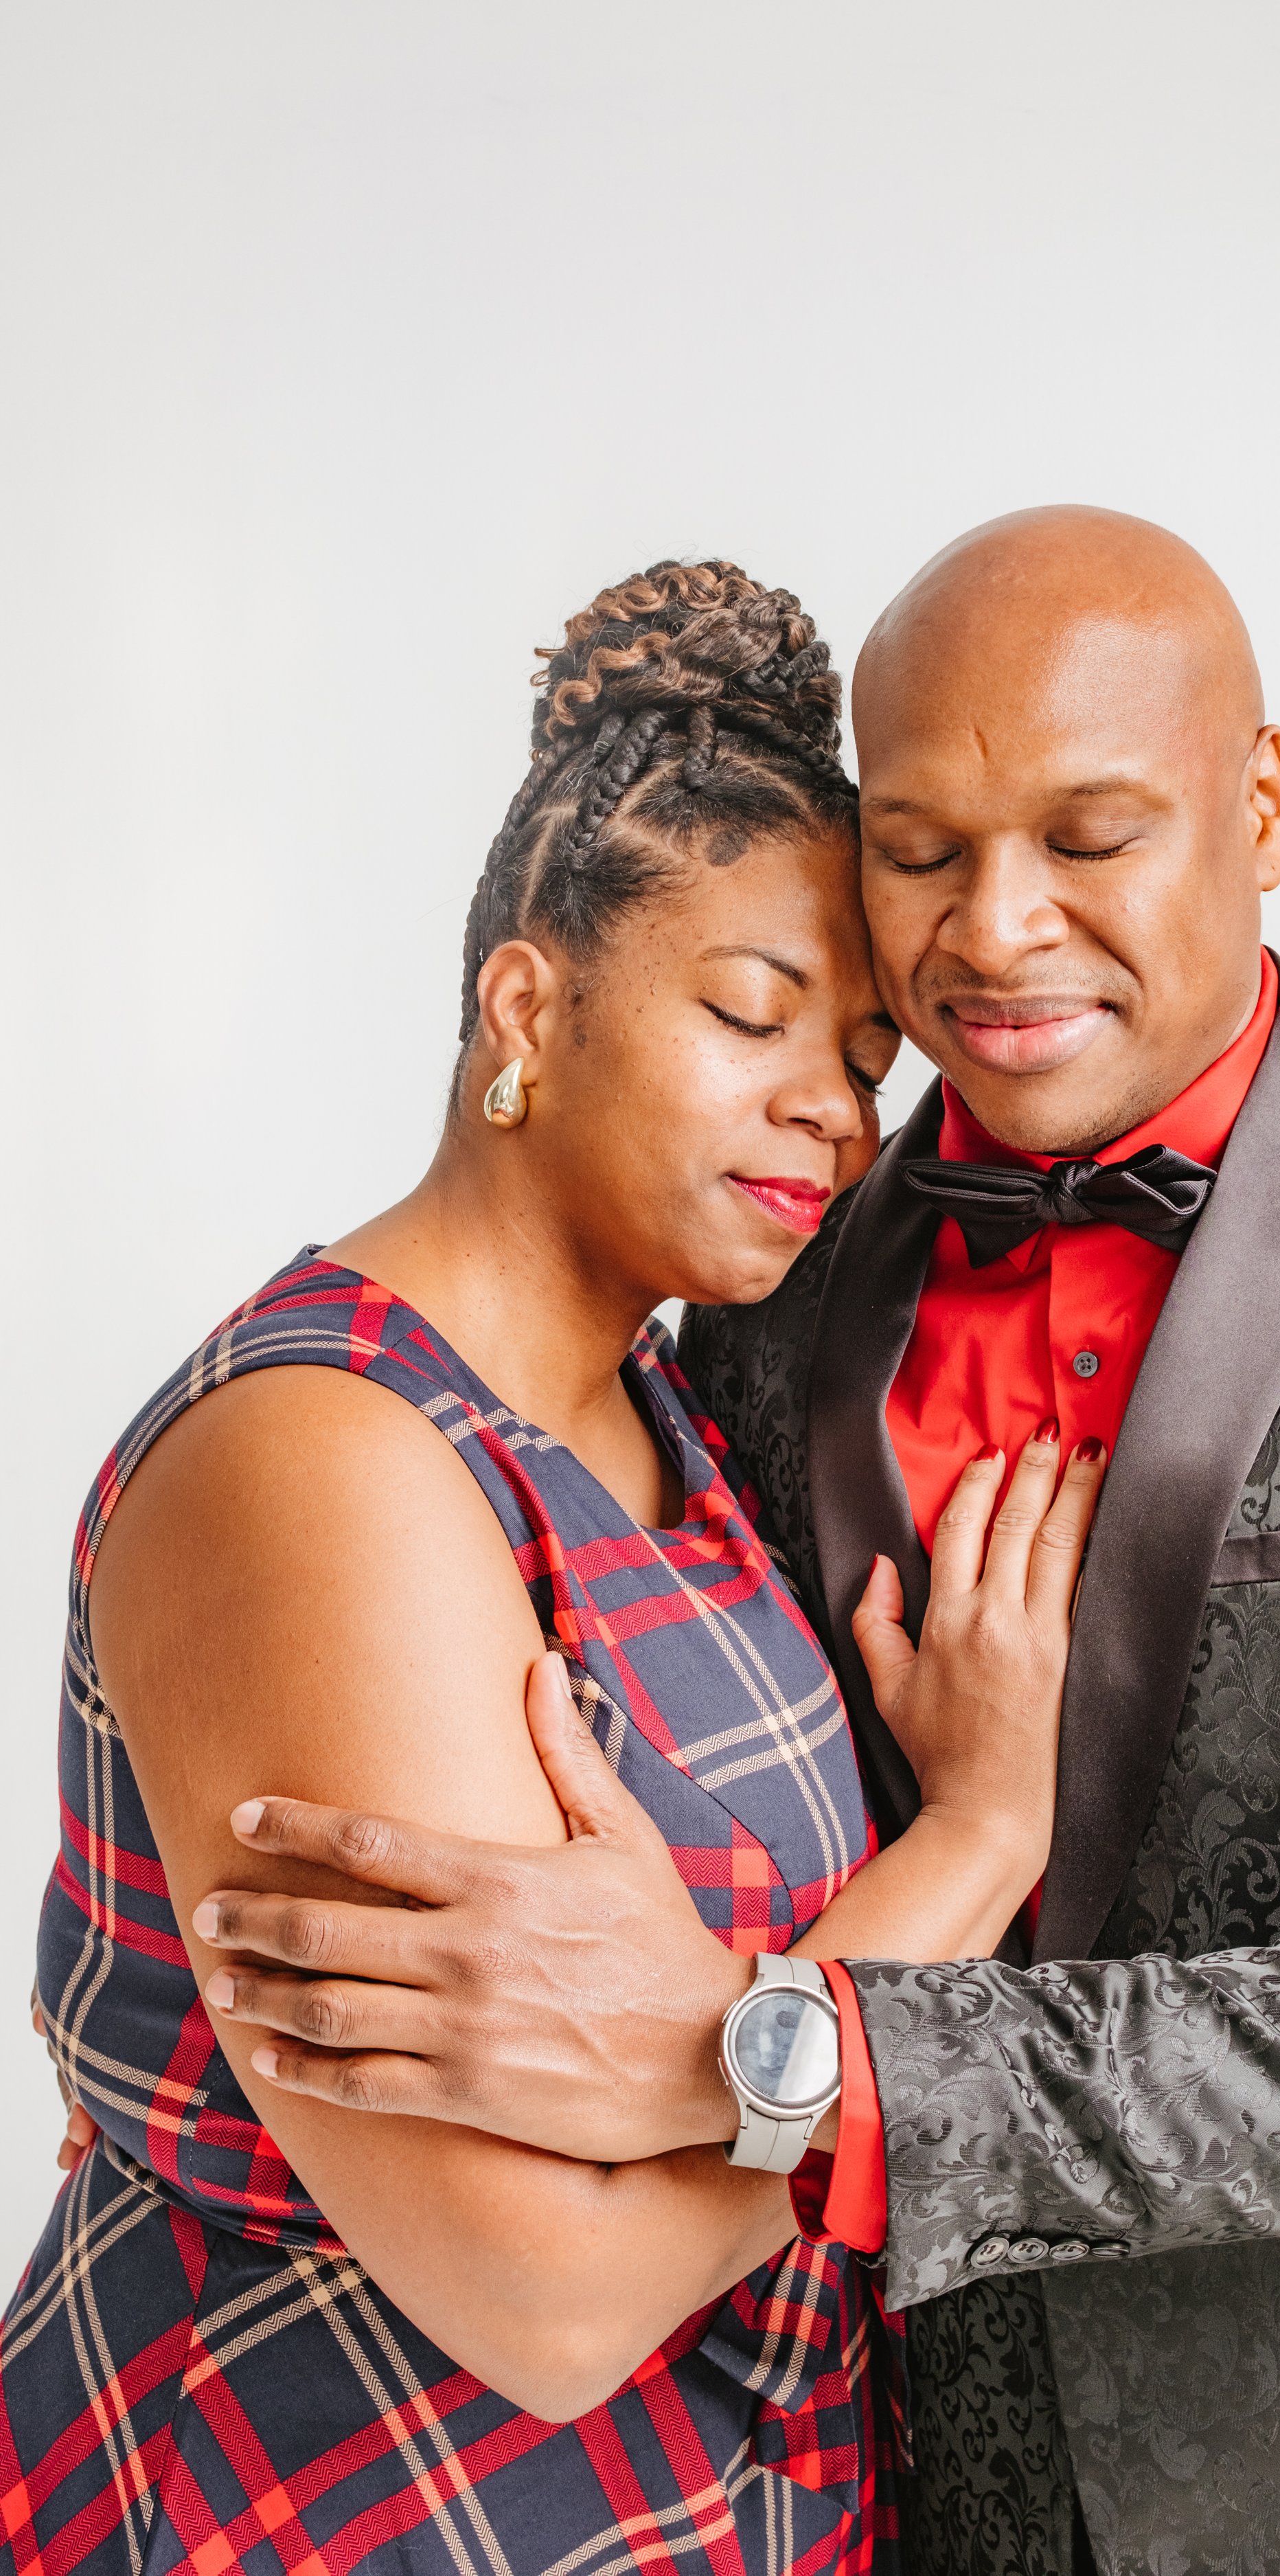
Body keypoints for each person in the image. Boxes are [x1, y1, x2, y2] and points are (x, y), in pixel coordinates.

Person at [94, 510, 1280, 2573]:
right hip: (908, 2493)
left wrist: (774, 2050)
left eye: (1089, 837)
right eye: (925, 851)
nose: (998, 932)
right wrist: (189, 2133)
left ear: (1262, 802)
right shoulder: (755, 1271)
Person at [7, 558, 1112, 2576]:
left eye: (859, 1053)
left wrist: (708, 2070)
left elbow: (692, 2055)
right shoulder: (313, 1461)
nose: (830, 1110)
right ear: (530, 1004)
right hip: (346, 2516)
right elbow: (552, 2301)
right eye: (749, 1011)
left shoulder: (663, 1409)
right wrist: (978, 1832)